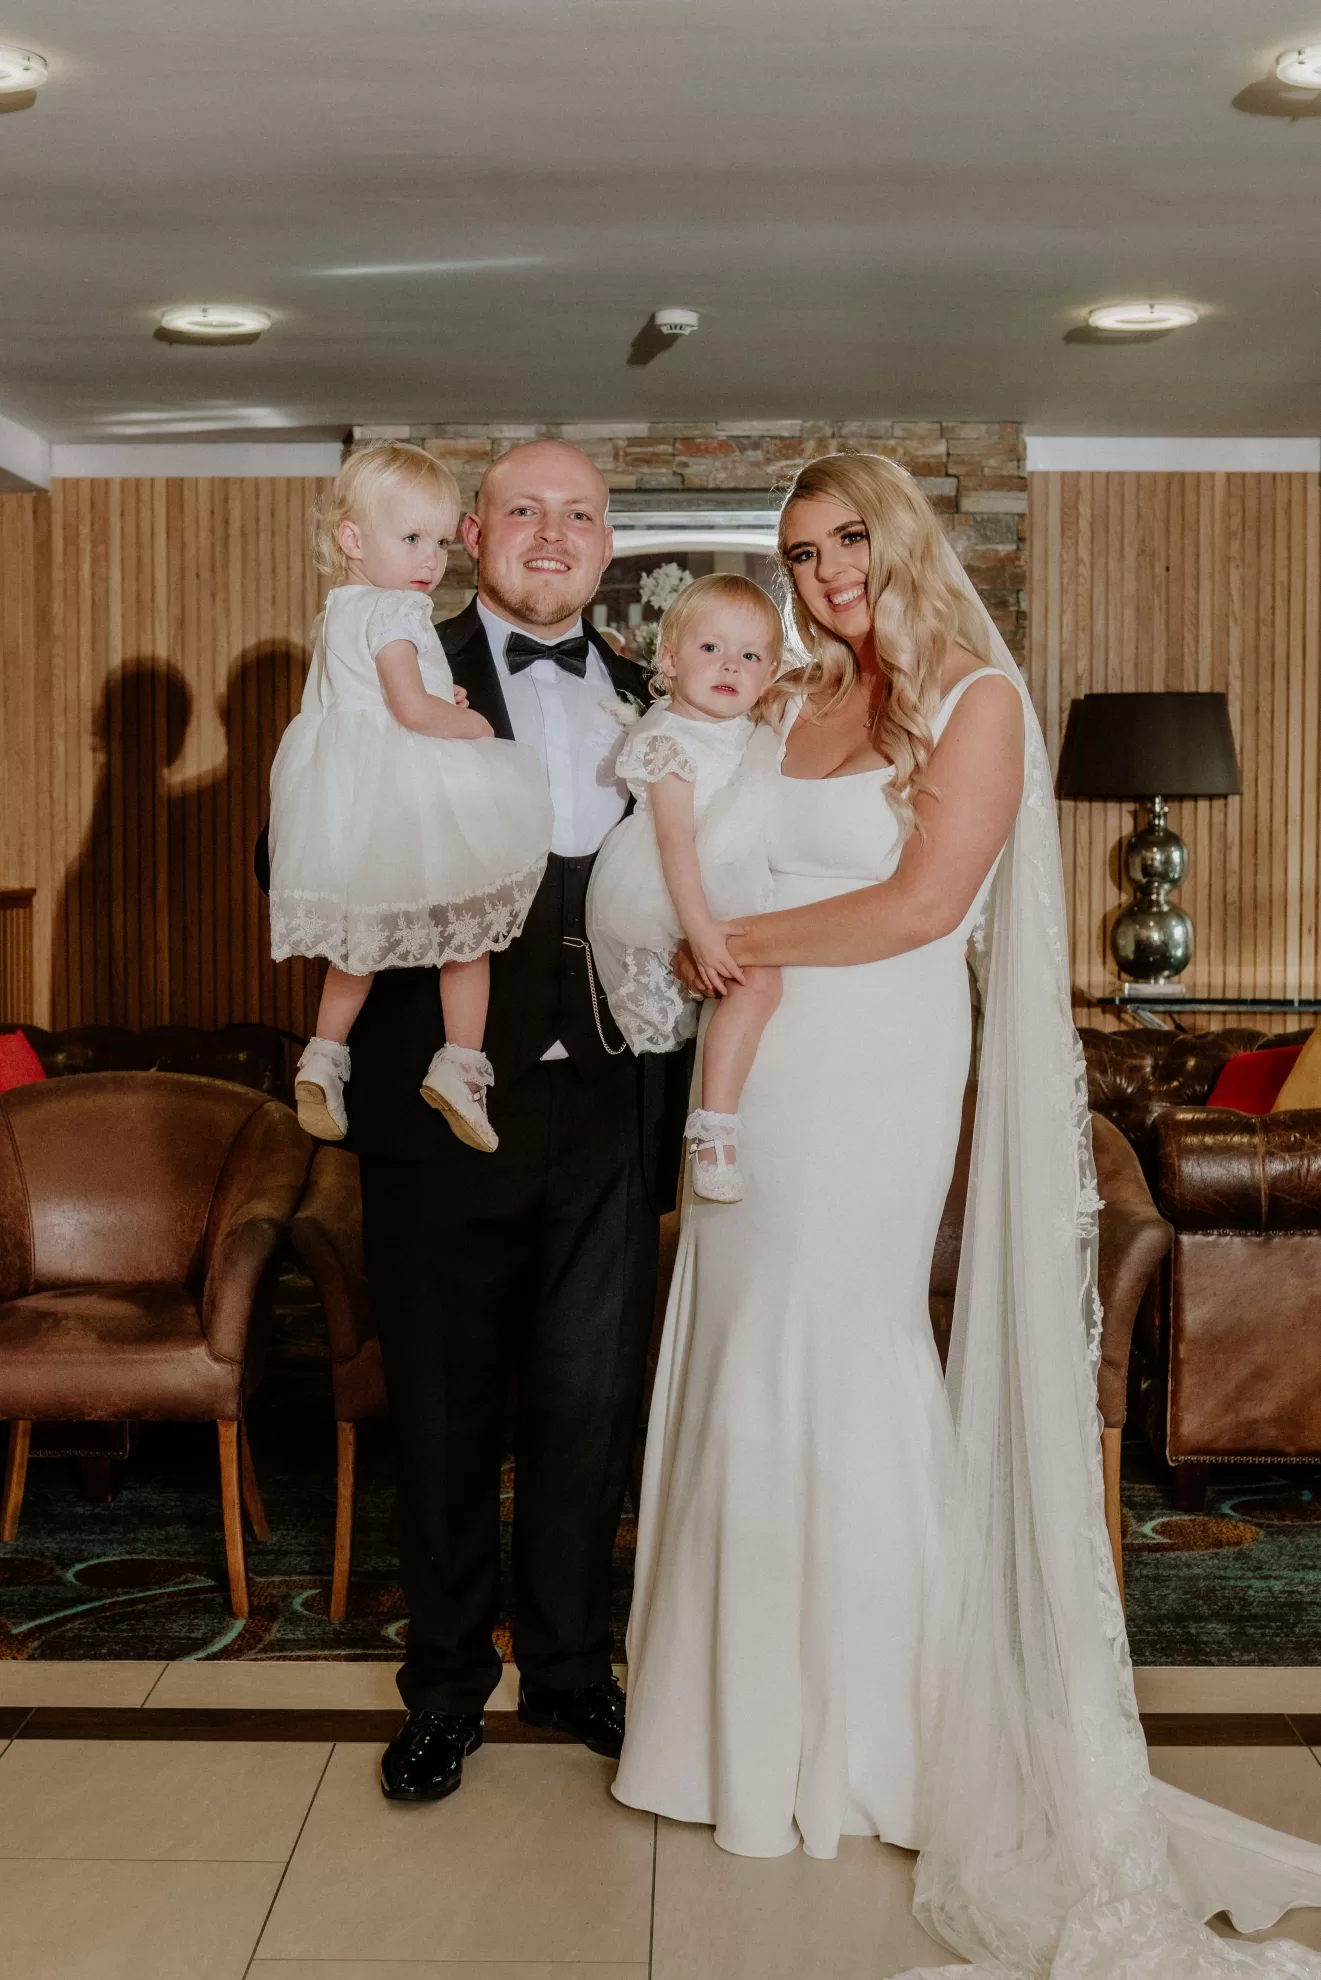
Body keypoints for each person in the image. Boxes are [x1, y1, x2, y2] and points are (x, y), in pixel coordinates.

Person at [615, 453, 1321, 1979]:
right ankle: (720, 1735)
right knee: (734, 1340)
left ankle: (872, 1738)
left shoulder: (974, 698)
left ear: (900, 535)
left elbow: (925, 903)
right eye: (800, 553)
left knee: (839, 1344)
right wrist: (686, 931)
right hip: (750, 1066)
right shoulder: (791, 696)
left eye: (846, 540)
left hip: (870, 1060)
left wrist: (729, 938)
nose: (825, 575)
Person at [330, 440, 689, 1806]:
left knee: (588, 1401)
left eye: (578, 514)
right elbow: (290, 846)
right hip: (441, 1099)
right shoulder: (394, 667)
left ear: (608, 545)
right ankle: (440, 1690)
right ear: (474, 535)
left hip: (609, 1101)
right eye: (523, 511)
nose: (552, 534)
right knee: (441, 1405)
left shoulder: (661, 695)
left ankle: (568, 1665)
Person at [268, 442, 553, 1151]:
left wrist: (432, 690)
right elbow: (408, 709)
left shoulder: (339, 608)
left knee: (358, 943)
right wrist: (472, 724)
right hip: (411, 794)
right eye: (412, 539)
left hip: (353, 801)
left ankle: (322, 1057)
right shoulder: (398, 609)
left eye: (440, 541)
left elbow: (359, 698)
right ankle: (461, 1066)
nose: (431, 559)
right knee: (469, 932)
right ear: (352, 539)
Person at [586, 572, 781, 1202]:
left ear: (769, 676)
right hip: (675, 886)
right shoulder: (669, 738)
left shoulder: (747, 728)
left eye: (750, 656)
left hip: (725, 874)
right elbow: (673, 842)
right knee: (756, 983)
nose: (730, 665)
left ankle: (719, 1121)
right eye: (711, 648)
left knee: (753, 993)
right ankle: (712, 1133)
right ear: (668, 660)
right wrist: (698, 928)